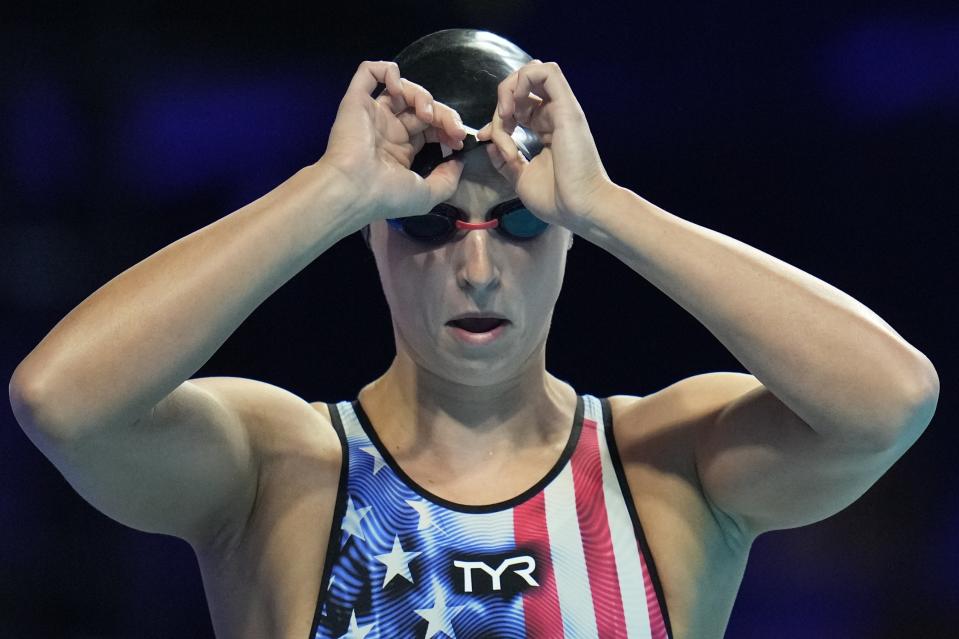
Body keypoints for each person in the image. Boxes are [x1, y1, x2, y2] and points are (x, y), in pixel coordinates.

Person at [8, 28, 939, 639]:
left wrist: (608, 207)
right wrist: (328, 191)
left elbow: (889, 400)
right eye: (429, 223)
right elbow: (61, 399)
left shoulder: (664, 464)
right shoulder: (280, 467)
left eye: (522, 224)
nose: (481, 269)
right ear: (371, 234)